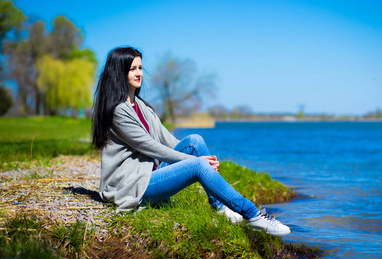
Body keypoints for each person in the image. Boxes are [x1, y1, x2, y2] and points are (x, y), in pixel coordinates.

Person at [91, 46, 290, 236]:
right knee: (196, 166)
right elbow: (151, 147)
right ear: (120, 72)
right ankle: (253, 215)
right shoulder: (119, 111)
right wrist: (197, 162)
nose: (139, 73)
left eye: (140, 68)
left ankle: (221, 208)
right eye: (132, 69)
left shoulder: (142, 107)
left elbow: (167, 141)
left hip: (147, 176)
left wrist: (202, 158)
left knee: (195, 140)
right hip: (131, 185)